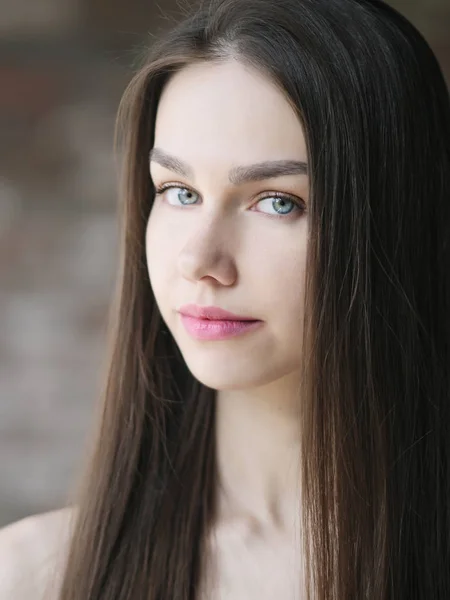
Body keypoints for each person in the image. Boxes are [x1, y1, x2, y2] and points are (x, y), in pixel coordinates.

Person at [1, 0, 449, 597]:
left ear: (397, 219)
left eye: (278, 202)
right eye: (179, 192)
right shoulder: (34, 576)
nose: (200, 261)